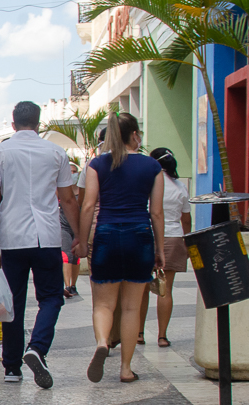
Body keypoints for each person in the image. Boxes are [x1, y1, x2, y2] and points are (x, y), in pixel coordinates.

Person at [0, 101, 81, 389]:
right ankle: (37, 347)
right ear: (38, 123)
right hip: (46, 237)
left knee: (13, 301)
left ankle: (12, 367)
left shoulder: (0, 153)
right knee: (52, 298)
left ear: (13, 124)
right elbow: (68, 199)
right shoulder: (56, 152)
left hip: (12, 237)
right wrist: (78, 235)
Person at [74, 112, 165, 383]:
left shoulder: (97, 164)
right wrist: (160, 249)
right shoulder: (152, 166)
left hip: (107, 235)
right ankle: (126, 369)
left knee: (103, 304)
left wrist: (82, 242)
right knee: (131, 308)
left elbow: (88, 205)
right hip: (140, 236)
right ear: (135, 134)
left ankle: (103, 342)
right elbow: (156, 213)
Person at [139, 148, 191, 348]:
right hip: (173, 236)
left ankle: (139, 333)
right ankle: (162, 336)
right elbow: (186, 218)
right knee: (166, 290)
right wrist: (186, 242)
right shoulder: (180, 186)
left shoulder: (146, 184)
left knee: (142, 289)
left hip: (147, 235)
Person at [61, 162, 82, 298]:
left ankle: (73, 285)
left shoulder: (82, 190)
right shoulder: (60, 189)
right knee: (66, 255)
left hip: (79, 226)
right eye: (70, 171)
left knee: (76, 257)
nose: (72, 174)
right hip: (63, 225)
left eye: (74, 171)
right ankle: (67, 285)